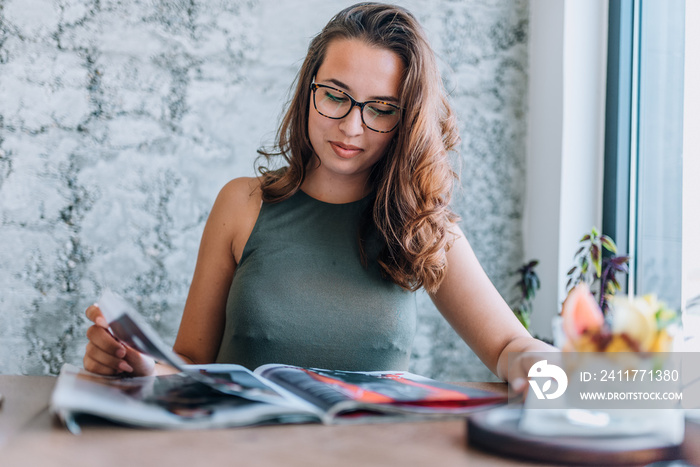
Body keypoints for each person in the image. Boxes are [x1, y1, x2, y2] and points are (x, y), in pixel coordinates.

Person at [83, 2, 554, 392]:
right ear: (309, 89)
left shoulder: (424, 227)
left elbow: (509, 347)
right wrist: (137, 363)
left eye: (381, 109)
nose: (352, 127)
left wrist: (586, 374)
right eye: (336, 95)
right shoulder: (241, 205)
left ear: (405, 120)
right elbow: (188, 361)